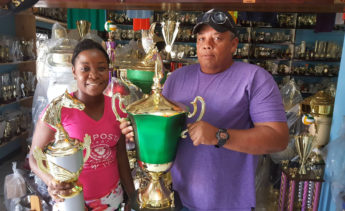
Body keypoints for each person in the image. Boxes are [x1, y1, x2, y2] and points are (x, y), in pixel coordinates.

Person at [120, 9, 289, 211]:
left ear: (234, 44)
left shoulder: (255, 79)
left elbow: (278, 139)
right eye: (201, 39)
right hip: (176, 198)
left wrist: (219, 136)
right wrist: (140, 135)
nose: (207, 45)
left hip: (230, 204)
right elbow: (166, 131)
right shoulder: (175, 79)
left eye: (217, 38)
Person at [29, 39, 134, 210]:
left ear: (108, 71)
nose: (93, 75)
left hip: (112, 199)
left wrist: (132, 195)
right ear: (74, 72)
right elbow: (34, 157)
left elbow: (121, 156)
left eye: (101, 68)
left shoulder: (117, 108)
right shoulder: (58, 109)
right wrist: (51, 181)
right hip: (72, 202)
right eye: (85, 69)